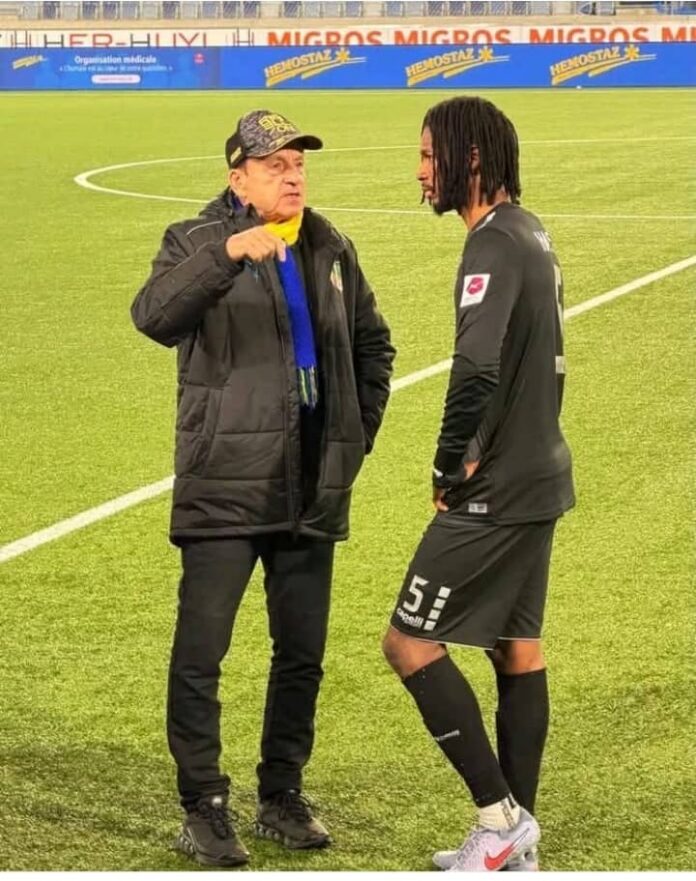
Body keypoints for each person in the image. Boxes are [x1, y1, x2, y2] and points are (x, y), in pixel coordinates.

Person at [131, 109, 394, 868]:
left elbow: (373, 345)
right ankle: (204, 806)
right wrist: (225, 254)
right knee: (201, 653)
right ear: (238, 178)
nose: (293, 175)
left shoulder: (329, 244)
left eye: (299, 163)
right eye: (276, 164)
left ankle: (281, 794)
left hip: (310, 485)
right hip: (226, 480)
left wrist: (352, 438)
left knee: (301, 653)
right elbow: (152, 316)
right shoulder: (194, 239)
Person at [382, 96, 575, 872]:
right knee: (515, 648)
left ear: (468, 158)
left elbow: (476, 367)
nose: (420, 172)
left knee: (408, 641)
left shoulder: (492, 242)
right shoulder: (531, 231)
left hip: (497, 485)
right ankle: (516, 840)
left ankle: (498, 821)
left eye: (429, 155)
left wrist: (447, 463)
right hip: (541, 473)